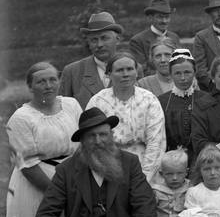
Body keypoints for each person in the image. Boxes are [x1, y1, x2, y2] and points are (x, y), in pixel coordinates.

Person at [1, 63, 83, 217]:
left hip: (72, 176)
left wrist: (76, 183)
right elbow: (26, 164)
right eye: (40, 81)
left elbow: (82, 142)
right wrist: (59, 193)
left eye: (52, 80)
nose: (48, 85)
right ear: (30, 87)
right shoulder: (21, 118)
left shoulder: (71, 105)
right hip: (37, 183)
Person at [86, 51, 166, 180]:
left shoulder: (149, 100)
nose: (126, 74)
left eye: (130, 69)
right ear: (108, 74)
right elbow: (91, 141)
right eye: (119, 70)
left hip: (143, 166)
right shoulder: (98, 101)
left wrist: (144, 177)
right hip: (106, 166)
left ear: (136, 72)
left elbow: (156, 142)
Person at [60, 12, 125, 111]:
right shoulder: (72, 72)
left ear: (118, 39)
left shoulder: (133, 68)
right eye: (94, 40)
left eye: (104, 38)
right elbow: (62, 111)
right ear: (88, 43)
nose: (99, 45)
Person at [152, 149, 191, 217]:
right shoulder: (156, 191)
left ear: (187, 172)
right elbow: (150, 215)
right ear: (161, 174)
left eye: (180, 173)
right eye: (169, 174)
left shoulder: (191, 188)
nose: (174, 178)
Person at [192, 0, 220, 92]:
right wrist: (217, 86)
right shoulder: (201, 37)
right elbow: (200, 70)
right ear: (210, 14)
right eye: (216, 11)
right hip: (211, 90)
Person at [159, 51, 197, 154]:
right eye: (177, 73)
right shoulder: (161, 101)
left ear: (194, 72)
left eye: (187, 72)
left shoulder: (205, 99)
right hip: (170, 156)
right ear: (171, 74)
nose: (183, 78)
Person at [128, 0, 181, 69]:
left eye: (167, 17)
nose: (164, 21)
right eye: (160, 17)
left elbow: (179, 64)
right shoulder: (138, 41)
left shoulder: (174, 37)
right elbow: (142, 70)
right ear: (150, 18)